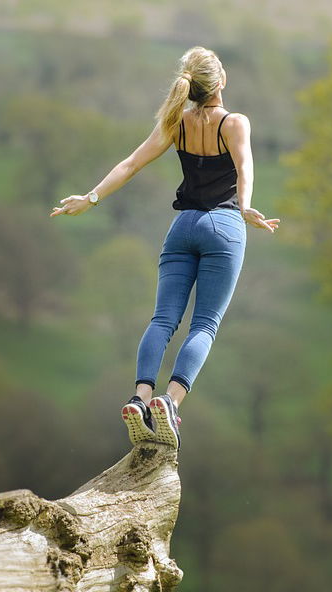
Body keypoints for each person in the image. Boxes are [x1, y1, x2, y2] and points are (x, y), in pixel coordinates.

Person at [50, 46, 280, 450]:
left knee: (162, 320)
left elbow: (130, 164)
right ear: (220, 82)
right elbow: (245, 166)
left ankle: (139, 399)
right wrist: (244, 207)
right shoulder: (235, 123)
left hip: (182, 229)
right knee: (204, 324)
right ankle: (169, 404)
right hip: (223, 228)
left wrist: (91, 198)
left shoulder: (178, 123)